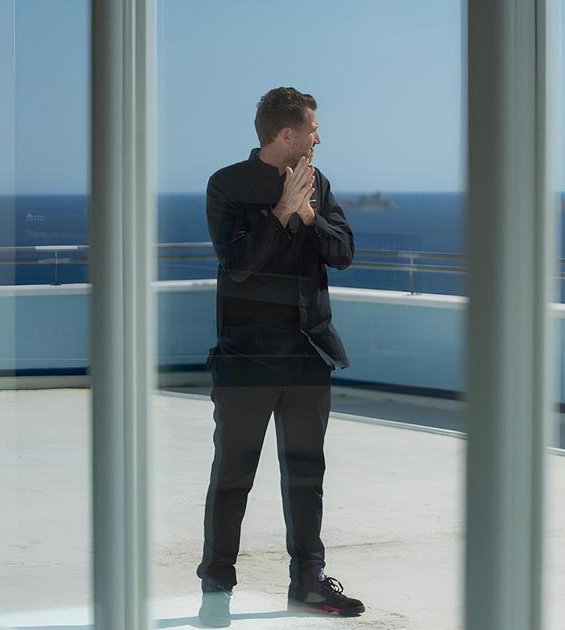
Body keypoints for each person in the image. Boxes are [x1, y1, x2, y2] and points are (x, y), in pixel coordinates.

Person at [196, 87, 365, 627]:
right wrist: (281, 212)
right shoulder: (226, 185)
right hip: (246, 360)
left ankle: (308, 586)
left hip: (308, 354)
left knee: (305, 474)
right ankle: (217, 589)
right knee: (233, 475)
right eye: (312, 129)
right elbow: (238, 263)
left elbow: (344, 254)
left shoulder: (321, 183)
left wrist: (311, 215)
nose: (319, 138)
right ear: (286, 134)